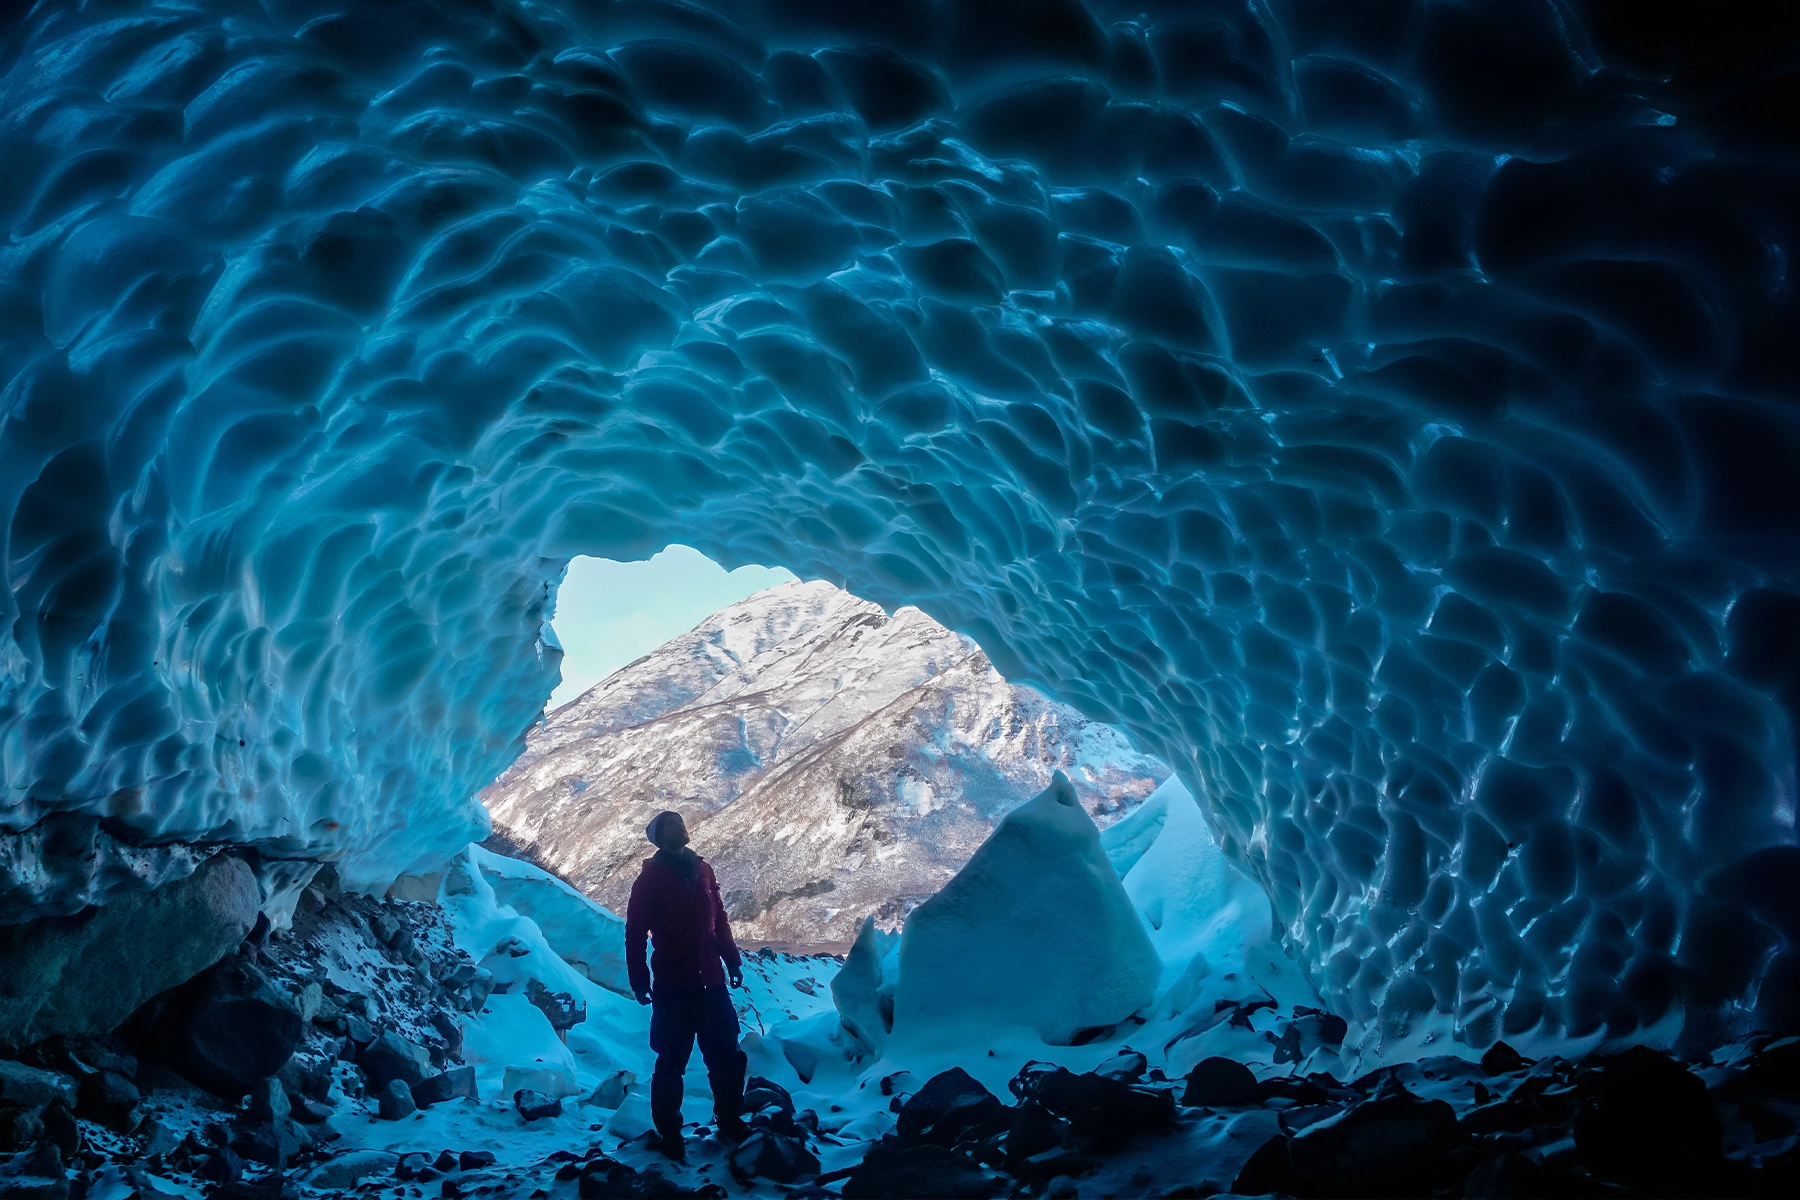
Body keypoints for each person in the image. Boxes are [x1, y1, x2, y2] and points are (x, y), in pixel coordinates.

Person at [624, 810, 749, 1160]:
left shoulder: (704, 870)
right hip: (672, 986)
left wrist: (733, 961)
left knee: (727, 1056)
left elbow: (719, 920)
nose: (679, 827)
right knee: (671, 1063)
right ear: (659, 838)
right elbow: (635, 933)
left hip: (711, 981)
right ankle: (670, 1133)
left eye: (681, 822)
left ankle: (730, 1120)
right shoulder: (648, 881)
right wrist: (639, 980)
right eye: (670, 825)